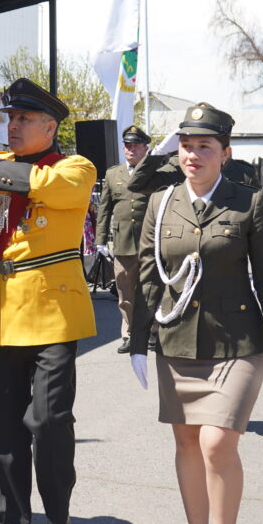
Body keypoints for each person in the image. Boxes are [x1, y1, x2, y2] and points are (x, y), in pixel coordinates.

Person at [129, 102, 263, 524]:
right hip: (177, 339)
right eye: (186, 146)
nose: (193, 155)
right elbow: (147, 276)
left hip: (237, 342)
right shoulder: (161, 204)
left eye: (204, 146)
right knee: (186, 442)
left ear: (225, 152)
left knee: (217, 442)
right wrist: (139, 341)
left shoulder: (248, 202)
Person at [0, 78, 96, 524]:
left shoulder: (74, 167)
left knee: (49, 422)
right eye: (10, 118)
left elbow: (47, 187)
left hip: (53, 313)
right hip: (0, 312)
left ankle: (59, 523)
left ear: (49, 126)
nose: (12, 126)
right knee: (4, 430)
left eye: (22, 119)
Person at [96, 125, 158, 354]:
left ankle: (152, 332)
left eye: (135, 145)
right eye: (127, 145)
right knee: (125, 292)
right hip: (123, 243)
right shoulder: (113, 174)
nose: (130, 149)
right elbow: (104, 209)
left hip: (150, 242)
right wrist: (100, 240)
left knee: (150, 289)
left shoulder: (156, 171)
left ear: (145, 148)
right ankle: (130, 335)